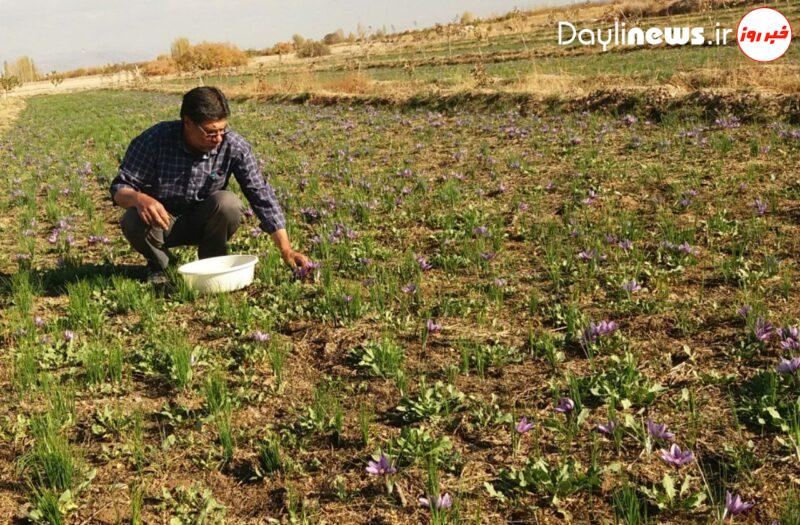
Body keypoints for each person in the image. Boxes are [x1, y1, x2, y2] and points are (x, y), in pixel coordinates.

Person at [109, 86, 309, 284]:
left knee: (228, 203)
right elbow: (119, 188)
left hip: (203, 221)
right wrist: (139, 198)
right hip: (161, 223)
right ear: (188, 122)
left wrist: (286, 249)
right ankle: (162, 265)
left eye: (223, 129)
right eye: (211, 132)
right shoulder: (154, 140)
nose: (219, 138)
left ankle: (213, 264)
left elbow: (261, 194)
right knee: (132, 218)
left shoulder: (233, 146)